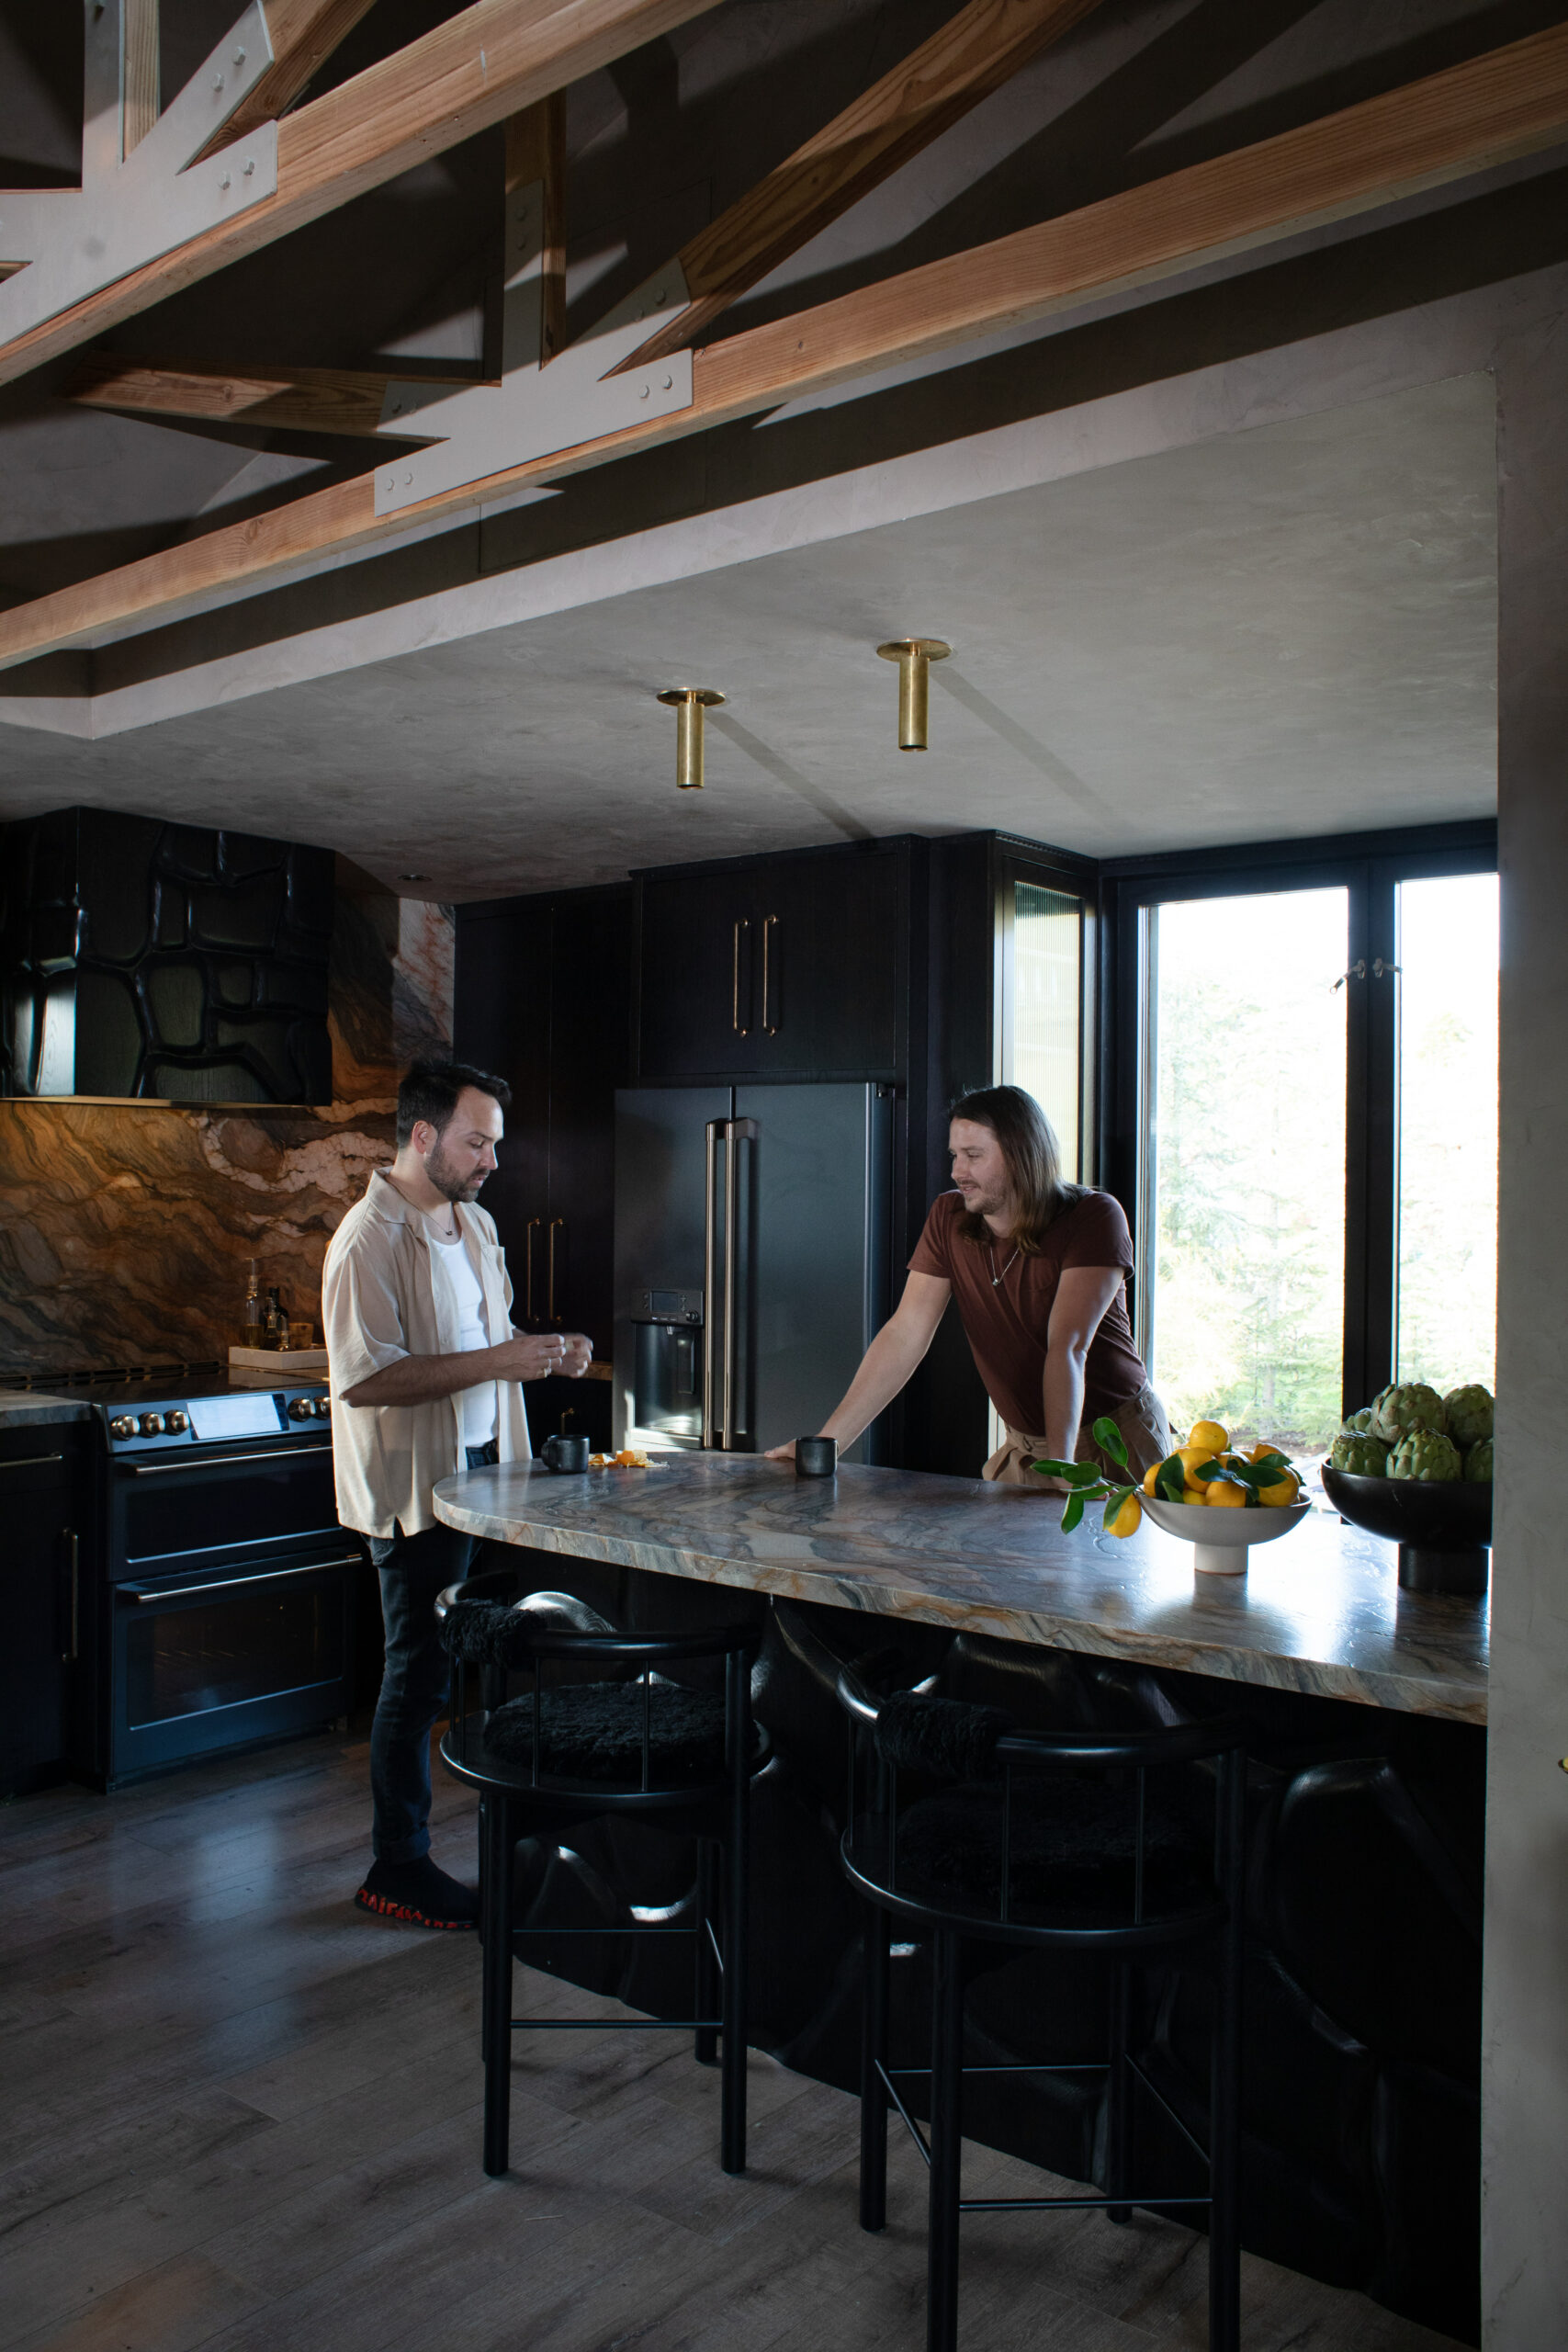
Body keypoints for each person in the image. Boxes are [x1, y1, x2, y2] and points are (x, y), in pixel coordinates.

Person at [322, 1059, 591, 1929]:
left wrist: (543, 1350)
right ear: (423, 1136)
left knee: (491, 1657)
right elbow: (367, 1380)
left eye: (495, 1143)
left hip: (491, 1478)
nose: (492, 1161)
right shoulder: (365, 1239)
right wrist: (501, 1360)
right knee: (418, 1676)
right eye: (478, 1142)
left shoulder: (473, 1224)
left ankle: (509, 1837)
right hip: (417, 1491)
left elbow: (490, 1337)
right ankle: (396, 1865)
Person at [767, 1085, 1168, 1487]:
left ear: (1021, 1155)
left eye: (974, 1156)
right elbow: (905, 1334)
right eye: (955, 1156)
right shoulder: (949, 1216)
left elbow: (1068, 1347)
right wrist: (828, 1443)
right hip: (1029, 1449)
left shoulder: (1093, 1216)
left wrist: (1063, 1466)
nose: (958, 1171)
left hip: (1114, 1442)